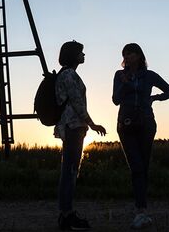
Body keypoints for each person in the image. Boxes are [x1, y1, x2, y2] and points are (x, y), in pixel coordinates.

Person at [112, 43, 169, 229]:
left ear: (139, 55)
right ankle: (140, 212)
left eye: (131, 53)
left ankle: (143, 211)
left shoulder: (149, 75)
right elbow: (115, 100)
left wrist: (155, 98)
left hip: (147, 123)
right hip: (126, 123)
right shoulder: (119, 75)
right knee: (137, 167)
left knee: (144, 167)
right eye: (125, 54)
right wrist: (124, 85)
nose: (128, 57)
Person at [55, 40, 107, 231]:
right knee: (69, 171)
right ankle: (67, 215)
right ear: (73, 55)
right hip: (73, 126)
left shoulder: (66, 74)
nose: (83, 55)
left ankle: (66, 214)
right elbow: (78, 103)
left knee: (69, 170)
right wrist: (93, 124)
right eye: (81, 52)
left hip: (71, 127)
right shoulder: (69, 75)